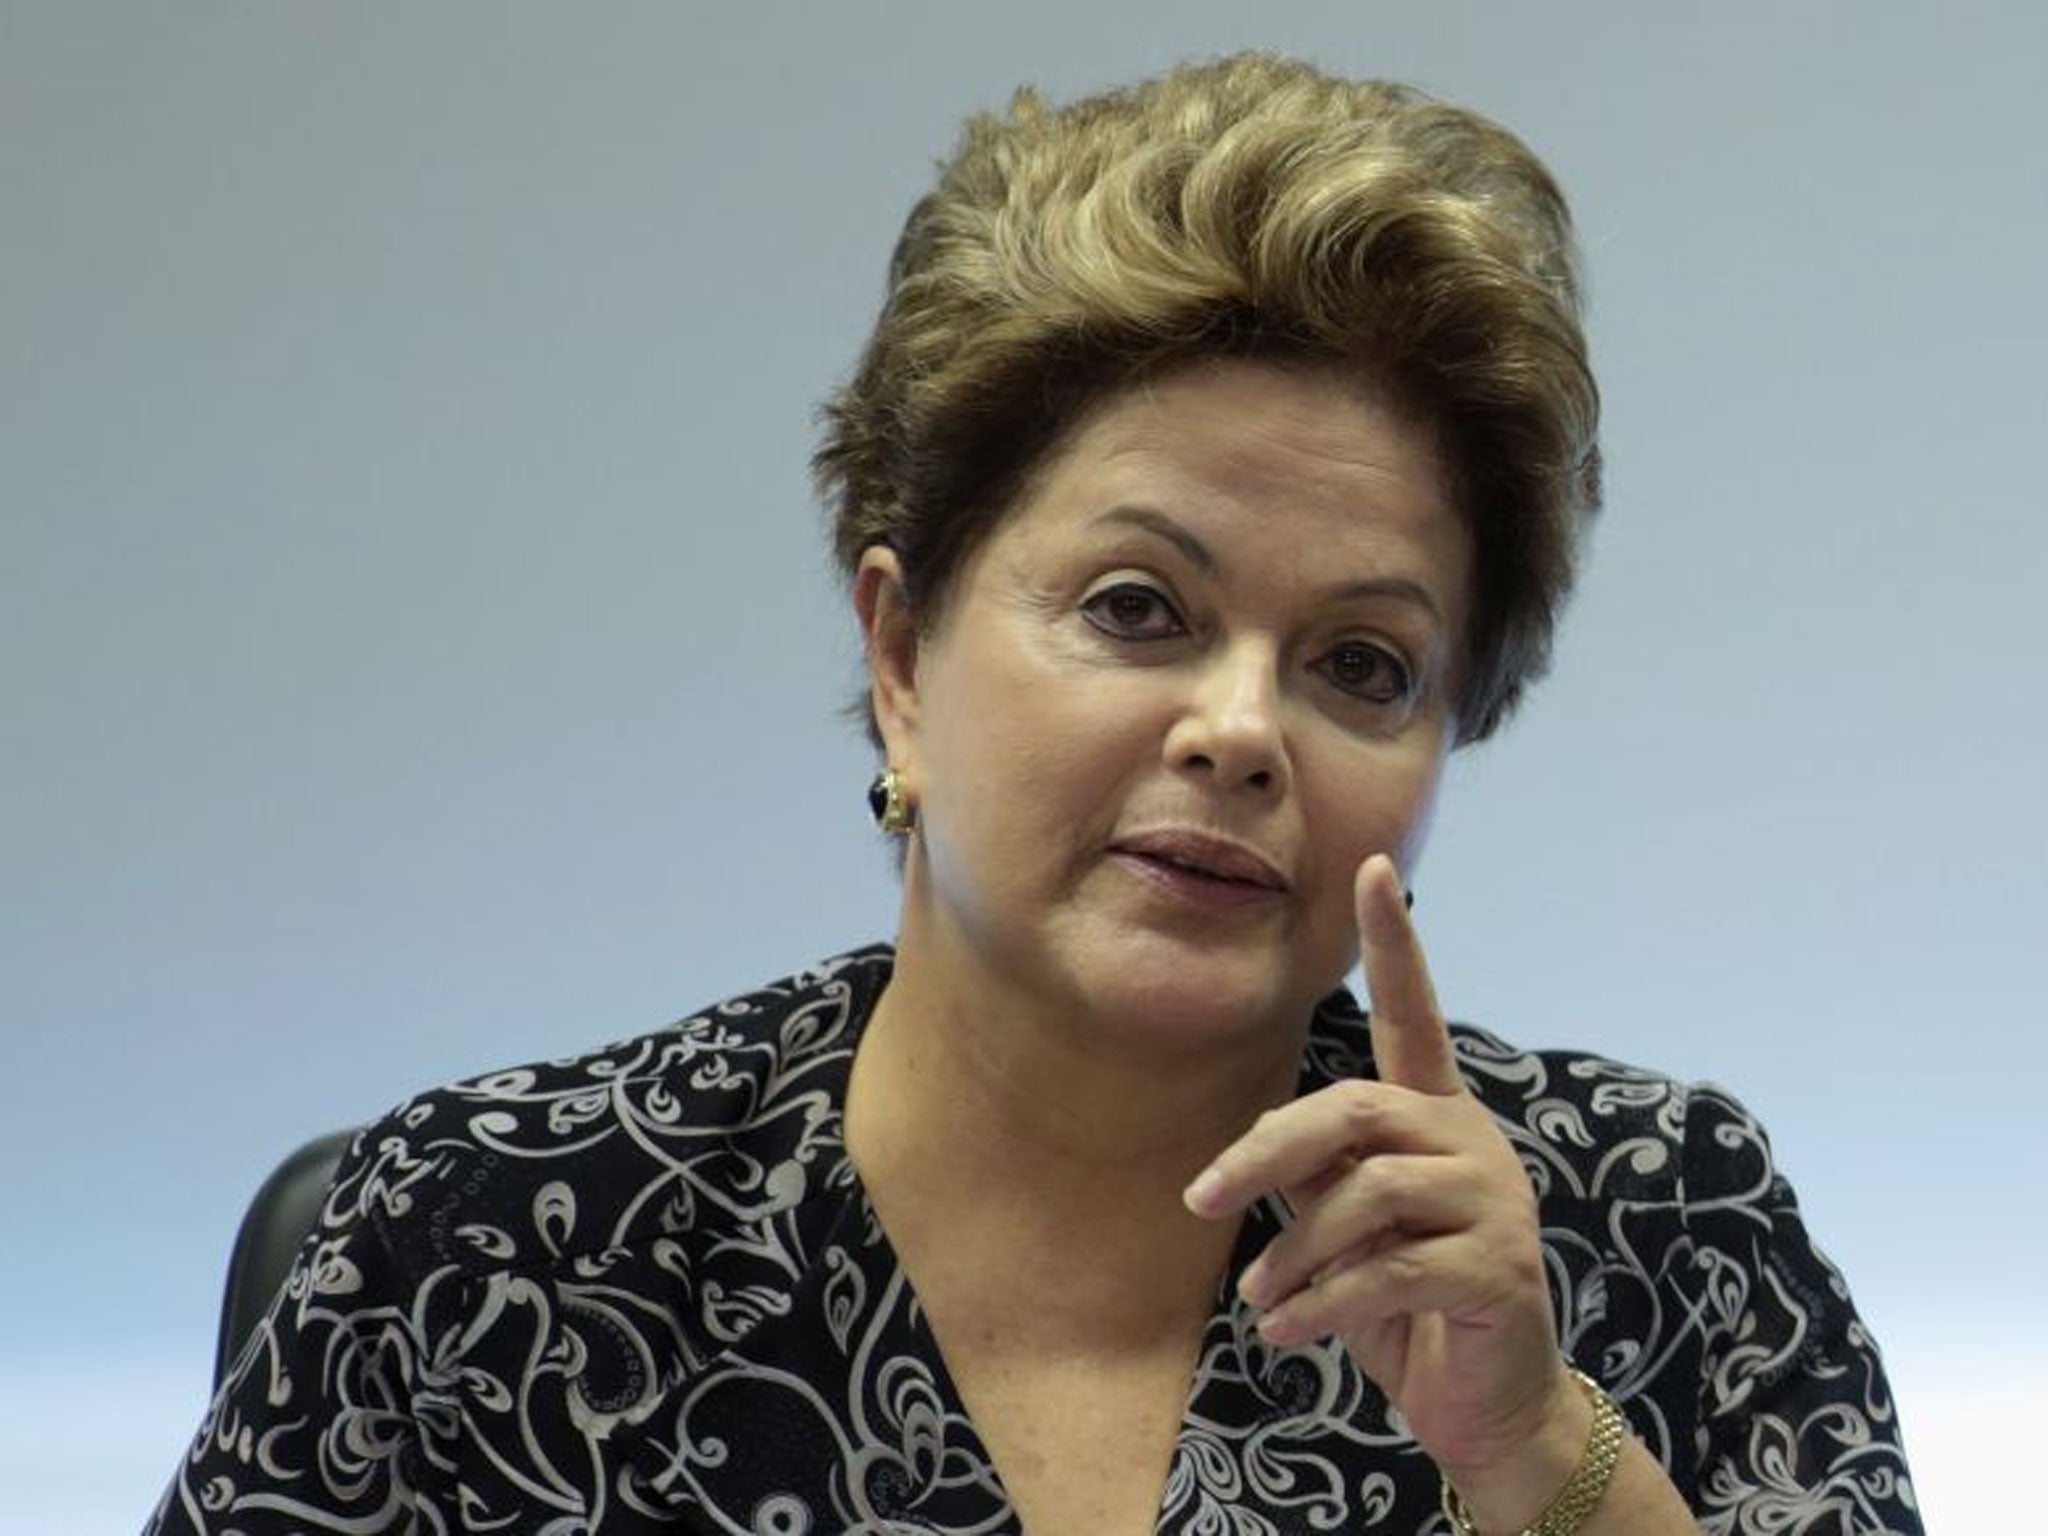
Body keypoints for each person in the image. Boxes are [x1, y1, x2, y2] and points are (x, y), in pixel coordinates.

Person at [147, 53, 1920, 1535]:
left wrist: (1538, 1454)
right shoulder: (487, 1250)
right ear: (905, 658)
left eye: (1362, 664)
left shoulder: (1656, 1224)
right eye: (1139, 610)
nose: (1244, 732)